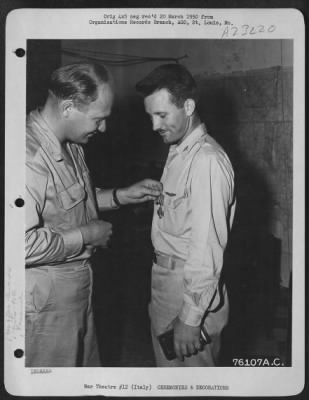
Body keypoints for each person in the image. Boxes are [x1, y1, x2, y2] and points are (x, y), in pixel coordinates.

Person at [25, 63, 162, 367]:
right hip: (47, 306)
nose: (103, 129)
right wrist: (87, 236)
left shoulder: (71, 145)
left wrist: (120, 195)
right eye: (98, 119)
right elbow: (17, 245)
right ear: (69, 107)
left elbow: (71, 203)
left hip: (76, 291)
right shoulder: (27, 157)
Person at [136, 63, 236, 367]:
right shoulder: (180, 150)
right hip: (168, 285)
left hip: (188, 290)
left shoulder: (206, 160)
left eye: (162, 115)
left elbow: (206, 247)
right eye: (151, 116)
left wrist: (191, 319)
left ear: (188, 106)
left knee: (193, 384)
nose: (154, 125)